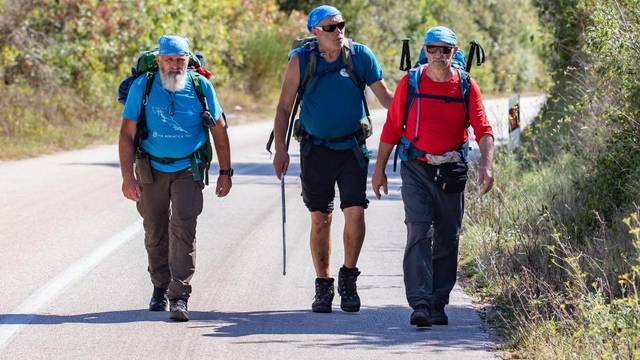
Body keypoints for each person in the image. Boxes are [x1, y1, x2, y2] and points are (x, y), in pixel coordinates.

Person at [272, 5, 393, 313]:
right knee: (320, 218)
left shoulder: (360, 56)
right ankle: (323, 285)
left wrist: (412, 119)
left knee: (355, 213)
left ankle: (348, 279)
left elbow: (387, 99)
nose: (338, 31)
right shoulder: (302, 61)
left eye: (341, 25)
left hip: (352, 148)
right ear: (315, 32)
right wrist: (282, 151)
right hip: (315, 150)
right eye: (330, 27)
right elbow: (285, 107)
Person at [371, 26, 495, 327]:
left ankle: (439, 302)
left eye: (445, 49)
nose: (439, 55)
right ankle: (421, 303)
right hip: (416, 167)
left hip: (451, 169)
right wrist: (379, 170)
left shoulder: (466, 86)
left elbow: (483, 129)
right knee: (419, 231)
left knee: (448, 237)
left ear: (454, 52)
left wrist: (486, 165)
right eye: (432, 48)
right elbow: (391, 128)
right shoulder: (410, 82)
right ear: (424, 51)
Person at [119, 35, 232, 322]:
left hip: (188, 168)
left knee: (184, 228)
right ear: (158, 60)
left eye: (180, 60)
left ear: (187, 61)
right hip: (150, 167)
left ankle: (179, 295)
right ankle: (160, 285)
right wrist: (127, 177)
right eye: (169, 59)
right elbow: (127, 133)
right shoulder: (142, 87)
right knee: (155, 230)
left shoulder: (200, 86)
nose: (174, 66)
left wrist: (226, 172)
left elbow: (219, 130)